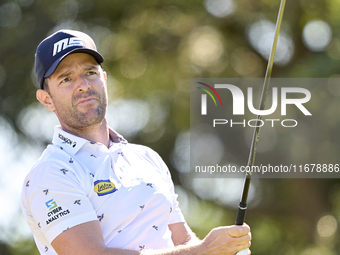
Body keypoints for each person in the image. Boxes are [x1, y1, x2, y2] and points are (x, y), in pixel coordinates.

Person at [21, 29, 251, 255]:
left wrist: (222, 251)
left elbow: (183, 240)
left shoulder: (145, 158)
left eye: (90, 72)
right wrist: (205, 251)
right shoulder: (50, 173)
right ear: (47, 99)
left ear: (104, 80)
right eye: (66, 78)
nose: (83, 84)